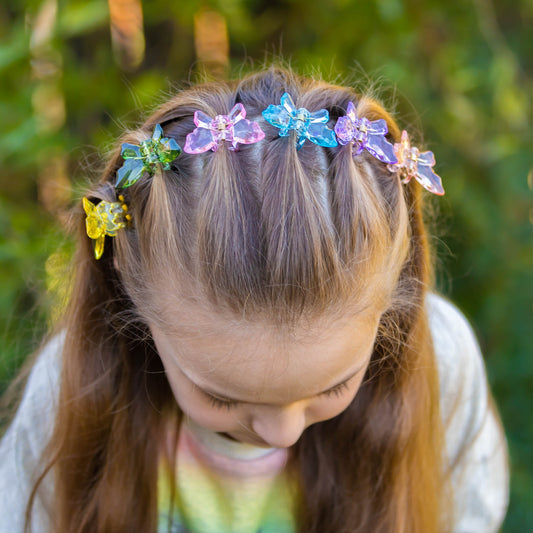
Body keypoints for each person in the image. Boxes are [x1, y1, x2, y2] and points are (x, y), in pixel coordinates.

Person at [0, 67, 509, 533]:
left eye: (333, 387)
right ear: (130, 292)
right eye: (222, 398)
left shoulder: (439, 364)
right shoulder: (68, 392)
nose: (281, 433)